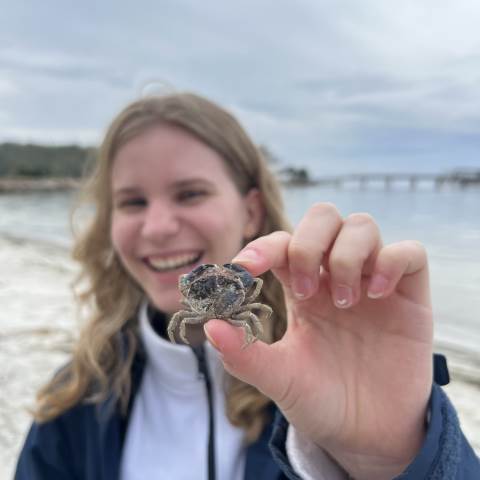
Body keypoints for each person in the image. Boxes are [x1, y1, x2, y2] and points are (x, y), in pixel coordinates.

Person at [15, 93, 479, 480]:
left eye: (191, 193)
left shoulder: (315, 377)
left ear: (252, 211)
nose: (157, 227)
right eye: (133, 201)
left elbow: (250, 308)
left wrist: (398, 454)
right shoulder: (71, 406)